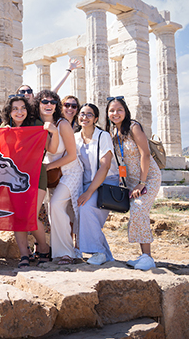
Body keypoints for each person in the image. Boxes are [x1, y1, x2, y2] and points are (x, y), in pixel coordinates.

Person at [0, 94, 59, 268]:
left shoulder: (36, 126)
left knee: (30, 214)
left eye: (23, 108)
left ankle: (44, 248)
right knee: (18, 216)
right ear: (9, 112)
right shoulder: (4, 129)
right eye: (15, 108)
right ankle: (24, 254)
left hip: (36, 174)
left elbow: (52, 148)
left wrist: (53, 132)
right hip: (13, 177)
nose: (19, 112)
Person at [106, 96, 162, 271]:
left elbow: (145, 154)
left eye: (119, 110)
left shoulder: (133, 127)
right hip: (130, 181)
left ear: (125, 111)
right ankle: (143, 256)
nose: (115, 113)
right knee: (139, 213)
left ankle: (148, 257)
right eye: (112, 110)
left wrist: (142, 182)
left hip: (148, 177)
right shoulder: (113, 131)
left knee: (139, 209)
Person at [39, 91, 84, 265]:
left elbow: (72, 155)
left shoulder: (62, 124)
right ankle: (59, 253)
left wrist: (47, 167)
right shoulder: (39, 124)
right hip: (54, 175)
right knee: (53, 210)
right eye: (44, 101)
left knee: (57, 205)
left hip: (71, 171)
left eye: (53, 102)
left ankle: (67, 252)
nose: (48, 104)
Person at [74, 103, 118, 265]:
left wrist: (89, 192)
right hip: (85, 184)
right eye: (82, 114)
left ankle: (98, 252)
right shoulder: (75, 137)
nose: (84, 117)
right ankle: (104, 254)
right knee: (83, 213)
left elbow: (105, 166)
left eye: (89, 115)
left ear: (96, 119)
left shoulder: (102, 136)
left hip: (105, 183)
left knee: (86, 208)